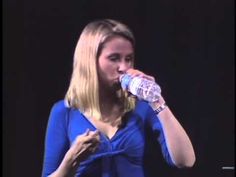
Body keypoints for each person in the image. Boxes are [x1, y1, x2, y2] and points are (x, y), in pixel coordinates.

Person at [41, 19, 195, 177]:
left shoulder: (141, 107)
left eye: (128, 59)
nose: (124, 67)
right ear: (90, 62)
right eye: (114, 58)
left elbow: (185, 160)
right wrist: (71, 160)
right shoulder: (65, 112)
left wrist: (157, 99)